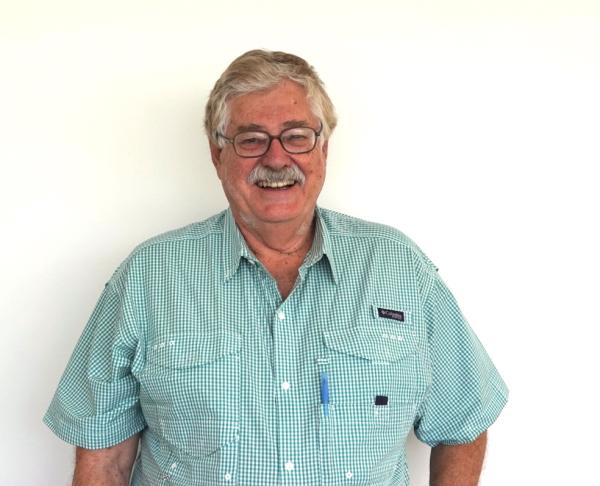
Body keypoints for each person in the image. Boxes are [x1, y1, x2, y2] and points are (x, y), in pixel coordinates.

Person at [44, 49, 508, 486]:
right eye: (251, 139)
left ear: (323, 149)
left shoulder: (400, 269)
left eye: (296, 136)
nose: (276, 158)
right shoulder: (147, 278)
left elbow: (463, 421)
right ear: (216, 154)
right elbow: (104, 457)